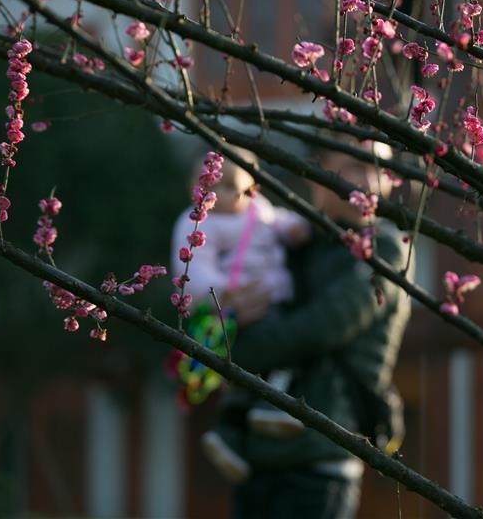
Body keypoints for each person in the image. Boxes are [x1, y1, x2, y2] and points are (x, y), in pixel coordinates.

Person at [222, 144, 412, 519]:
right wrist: (225, 316)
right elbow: (216, 308)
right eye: (355, 167)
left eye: (380, 169)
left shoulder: (385, 248)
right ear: (318, 175)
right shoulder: (291, 240)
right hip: (255, 458)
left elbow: (318, 329)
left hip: (321, 459)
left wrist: (234, 347)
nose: (371, 182)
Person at [169, 150, 312, 483]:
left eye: (232, 185)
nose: (220, 193)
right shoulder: (196, 222)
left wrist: (297, 228)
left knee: (280, 355)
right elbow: (193, 270)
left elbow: (281, 220)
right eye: (209, 184)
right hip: (233, 309)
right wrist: (223, 292)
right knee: (248, 364)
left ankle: (253, 417)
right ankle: (236, 425)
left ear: (254, 188)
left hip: (273, 297)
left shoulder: (259, 212)